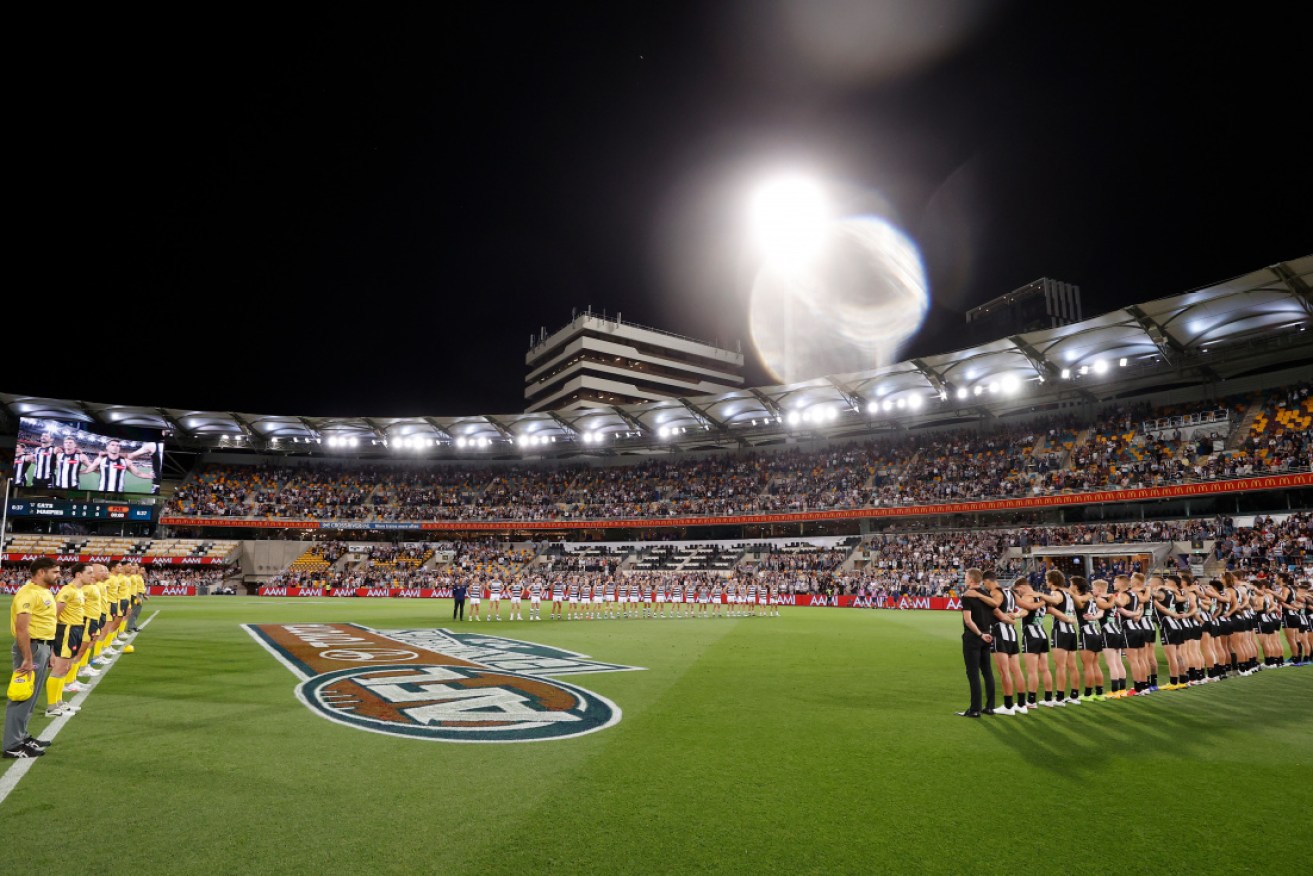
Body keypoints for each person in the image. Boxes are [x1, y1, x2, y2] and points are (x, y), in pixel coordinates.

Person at [4, 558, 61, 758]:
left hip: (41, 647)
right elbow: (22, 629)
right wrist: (27, 658)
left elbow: (46, 624)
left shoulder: (43, 592)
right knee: (22, 696)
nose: (58, 575)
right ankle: (12, 744)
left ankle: (22, 736)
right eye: (54, 571)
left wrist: (51, 652)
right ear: (40, 572)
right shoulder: (28, 594)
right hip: (31, 648)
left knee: (32, 696)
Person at [957, 568, 997, 718]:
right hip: (987, 635)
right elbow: (994, 607)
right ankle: (990, 707)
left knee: (973, 673)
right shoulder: (986, 594)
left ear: (972, 580)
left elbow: (968, 620)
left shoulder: (967, 596)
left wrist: (979, 634)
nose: (965, 579)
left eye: (966, 577)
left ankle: (975, 709)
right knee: (987, 672)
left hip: (974, 637)